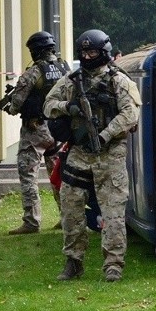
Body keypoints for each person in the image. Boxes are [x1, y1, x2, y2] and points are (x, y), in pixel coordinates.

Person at [44, 29, 141, 282]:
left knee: (113, 213)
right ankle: (73, 261)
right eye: (83, 52)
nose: (87, 56)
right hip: (80, 154)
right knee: (71, 207)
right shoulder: (72, 80)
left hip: (110, 154)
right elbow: (48, 104)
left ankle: (113, 265)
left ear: (104, 52)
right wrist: (69, 106)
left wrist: (105, 135)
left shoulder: (118, 81)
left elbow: (130, 114)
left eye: (92, 52)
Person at [5, 31, 70, 235]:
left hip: (35, 130)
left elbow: (16, 104)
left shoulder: (33, 72)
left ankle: (31, 221)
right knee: (58, 173)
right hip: (58, 129)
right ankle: (66, 217)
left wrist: (11, 108)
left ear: (36, 51)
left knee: (28, 174)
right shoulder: (64, 67)